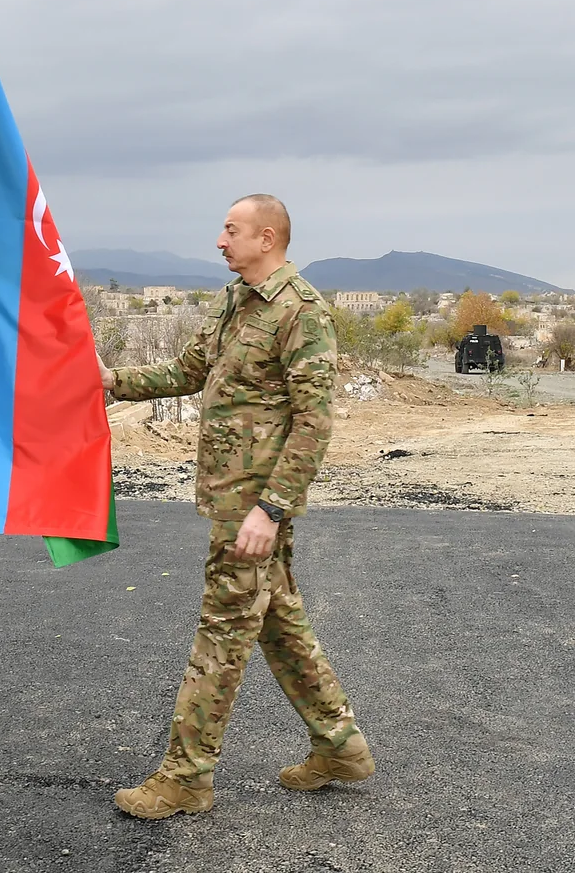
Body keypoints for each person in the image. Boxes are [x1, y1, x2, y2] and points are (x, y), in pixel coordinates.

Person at [102, 194, 374, 820]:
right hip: (232, 499)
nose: (220, 241)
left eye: (232, 230)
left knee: (223, 634)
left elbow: (314, 421)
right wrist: (111, 380)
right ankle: (340, 744)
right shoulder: (236, 302)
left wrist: (272, 509)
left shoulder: (301, 314)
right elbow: (190, 369)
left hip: (254, 506)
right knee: (277, 621)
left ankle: (185, 776)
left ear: (268, 238)